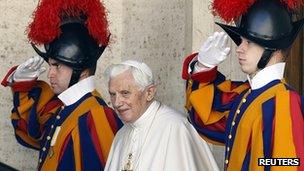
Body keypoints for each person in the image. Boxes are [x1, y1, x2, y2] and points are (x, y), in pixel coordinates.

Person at [182, 0, 304, 170]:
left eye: (249, 42)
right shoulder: (247, 95)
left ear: (273, 49)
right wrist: (204, 66)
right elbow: (205, 120)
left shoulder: (284, 101)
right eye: (241, 41)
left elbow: (288, 163)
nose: (239, 48)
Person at [1, 0, 122, 170]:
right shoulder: (66, 107)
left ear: (83, 70)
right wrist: (23, 85)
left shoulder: (95, 116)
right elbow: (32, 133)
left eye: (57, 65)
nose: (50, 73)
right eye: (50, 65)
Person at [104, 60, 219, 171]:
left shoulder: (176, 128)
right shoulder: (121, 134)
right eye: (113, 94)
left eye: (125, 93)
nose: (117, 102)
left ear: (149, 93)